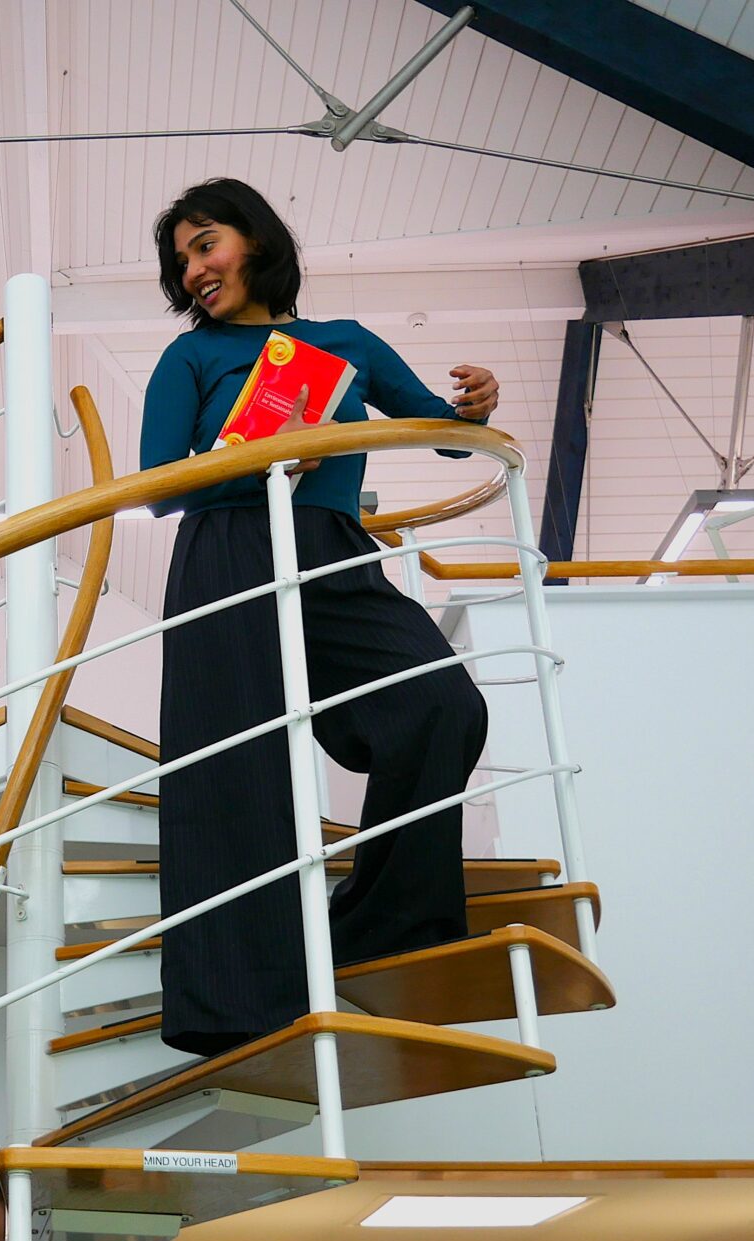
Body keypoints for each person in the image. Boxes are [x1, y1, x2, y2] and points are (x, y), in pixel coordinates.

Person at [140, 177, 501, 1056]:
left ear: (256, 240)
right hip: (225, 551)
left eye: (206, 244)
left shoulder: (346, 343)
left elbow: (443, 433)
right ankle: (235, 1004)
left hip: (333, 547)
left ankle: (385, 928)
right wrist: (262, 457)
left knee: (441, 706)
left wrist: (478, 403)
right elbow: (157, 480)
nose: (194, 270)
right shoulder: (188, 358)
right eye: (182, 259)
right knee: (233, 772)